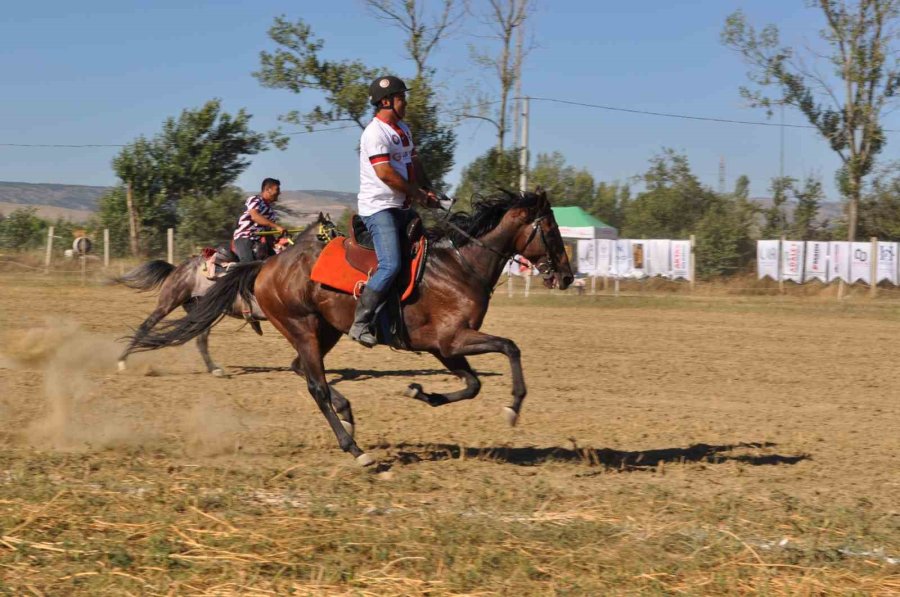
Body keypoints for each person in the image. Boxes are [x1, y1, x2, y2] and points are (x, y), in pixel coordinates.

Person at [349, 75, 439, 347]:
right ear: (386, 101)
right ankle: (360, 322)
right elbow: (386, 174)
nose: (406, 102)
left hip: (401, 207)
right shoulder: (374, 133)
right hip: (379, 210)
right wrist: (418, 194)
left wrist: (429, 188)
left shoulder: (403, 130)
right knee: (391, 264)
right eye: (401, 98)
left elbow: (414, 161)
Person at [233, 178, 286, 262]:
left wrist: (276, 242)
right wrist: (276, 226)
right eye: (277, 189)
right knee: (248, 264)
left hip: (258, 242)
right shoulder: (255, 199)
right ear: (268, 190)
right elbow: (255, 216)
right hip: (244, 237)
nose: (279, 192)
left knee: (276, 263)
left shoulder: (270, 211)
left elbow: (267, 232)